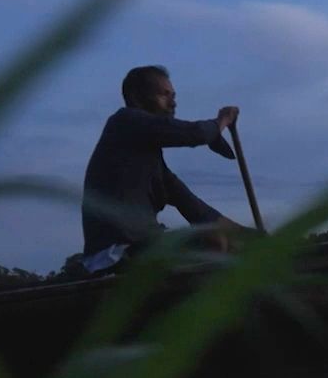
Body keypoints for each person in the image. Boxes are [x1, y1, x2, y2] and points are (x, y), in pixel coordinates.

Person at [79, 64, 252, 273]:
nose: (173, 103)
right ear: (136, 97)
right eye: (164, 94)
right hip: (114, 253)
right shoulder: (125, 122)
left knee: (230, 241)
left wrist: (252, 236)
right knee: (215, 240)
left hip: (141, 248)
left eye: (173, 95)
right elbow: (195, 133)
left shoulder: (152, 164)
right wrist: (223, 120)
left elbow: (197, 210)